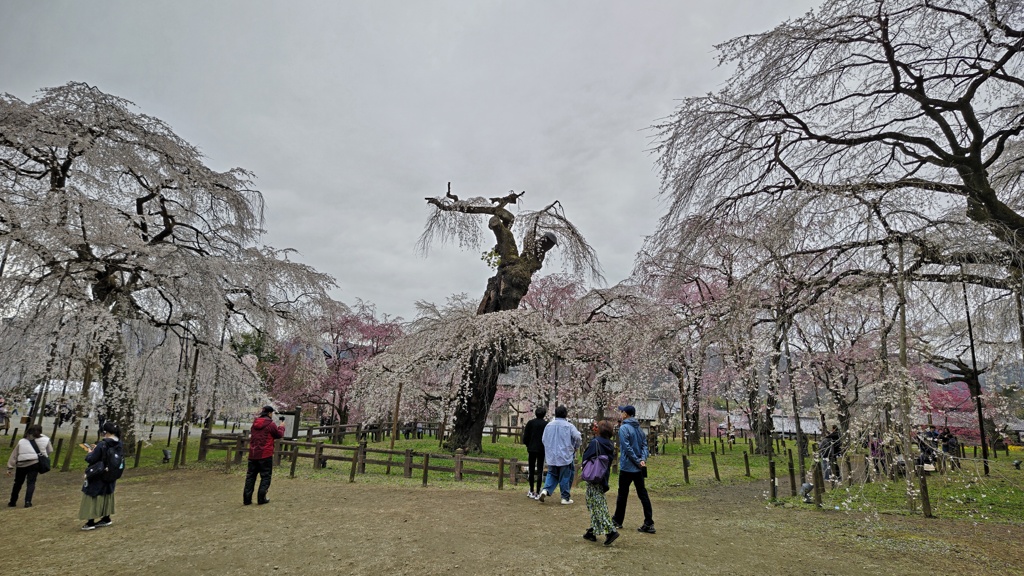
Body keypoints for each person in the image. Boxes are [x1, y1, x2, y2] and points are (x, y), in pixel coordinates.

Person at [611, 405, 655, 534]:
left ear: (626, 414)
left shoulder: (624, 428)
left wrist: (636, 461)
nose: (621, 413)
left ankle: (618, 520)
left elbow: (626, 448)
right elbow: (644, 446)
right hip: (639, 468)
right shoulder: (639, 429)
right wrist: (642, 460)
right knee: (643, 494)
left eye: (622, 412)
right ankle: (649, 522)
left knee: (622, 494)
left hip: (627, 467)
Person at [582, 420, 619, 546]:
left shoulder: (595, 442)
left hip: (593, 476)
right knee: (595, 502)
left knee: (597, 504)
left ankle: (610, 531)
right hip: (602, 476)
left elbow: (586, 456)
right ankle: (592, 532)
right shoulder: (609, 444)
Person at [80, 422, 122, 530]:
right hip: (111, 473)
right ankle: (106, 517)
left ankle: (90, 522)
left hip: (99, 473)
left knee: (93, 495)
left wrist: (90, 452)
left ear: (106, 432)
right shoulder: (119, 443)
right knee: (107, 494)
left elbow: (92, 459)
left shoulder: (103, 444)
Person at [537, 405, 581, 505]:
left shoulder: (549, 425)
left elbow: (544, 439)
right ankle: (565, 498)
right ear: (565, 414)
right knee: (565, 476)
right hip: (565, 455)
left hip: (552, 456)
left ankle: (545, 490)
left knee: (551, 474)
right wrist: (575, 446)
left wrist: (549, 448)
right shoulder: (569, 426)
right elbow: (578, 437)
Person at [243, 405, 285, 506]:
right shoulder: (270, 424)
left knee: (250, 477)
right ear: (270, 413)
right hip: (265, 454)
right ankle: (261, 498)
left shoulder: (254, 423)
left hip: (253, 454)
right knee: (265, 477)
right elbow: (278, 435)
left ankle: (247, 499)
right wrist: (282, 426)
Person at [7, 423, 52, 508]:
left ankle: (12, 501)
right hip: (34, 463)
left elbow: (14, 454)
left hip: (21, 464)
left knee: (17, 483)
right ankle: (28, 502)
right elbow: (50, 450)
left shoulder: (22, 441)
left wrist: (10, 467)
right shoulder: (45, 440)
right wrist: (43, 455)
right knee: (31, 483)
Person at [521, 406, 548, 500]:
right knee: (540, 470)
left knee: (531, 470)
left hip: (532, 449)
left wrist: (528, 445)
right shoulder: (546, 424)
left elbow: (525, 437)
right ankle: (538, 491)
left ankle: (531, 490)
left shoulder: (530, 423)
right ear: (544, 414)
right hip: (541, 449)